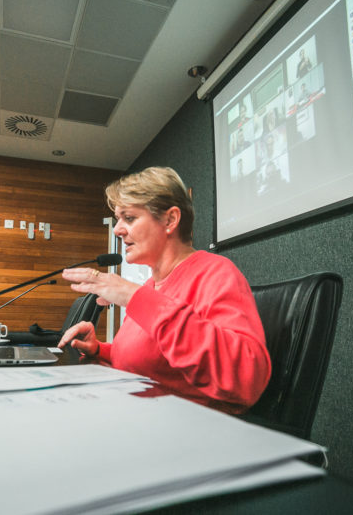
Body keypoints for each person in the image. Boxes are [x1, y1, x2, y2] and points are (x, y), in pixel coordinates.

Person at [58, 167, 271, 413]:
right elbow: (149, 361)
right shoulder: (151, 287)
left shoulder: (216, 273)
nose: (117, 230)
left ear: (170, 220)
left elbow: (246, 379)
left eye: (129, 218)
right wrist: (99, 350)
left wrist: (133, 296)